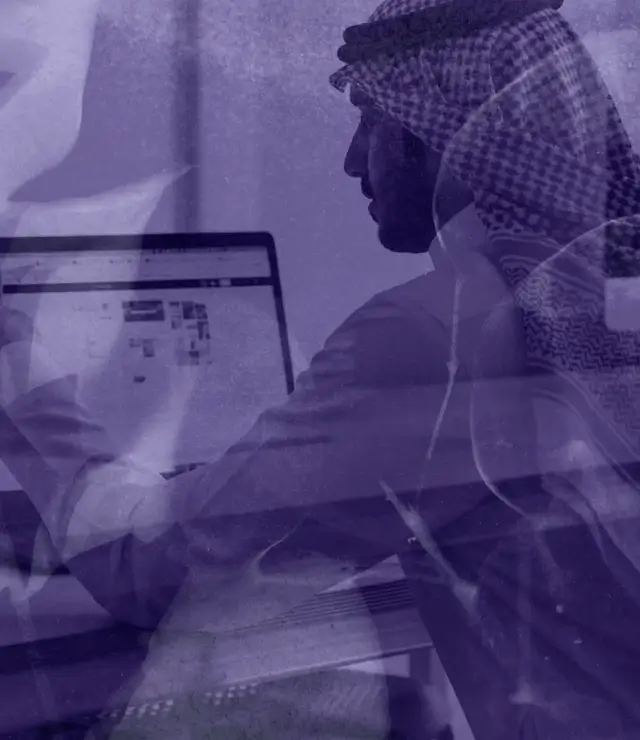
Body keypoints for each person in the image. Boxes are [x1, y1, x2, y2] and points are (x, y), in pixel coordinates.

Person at [3, 0, 640, 738]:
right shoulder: (606, 296)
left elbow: (152, 572)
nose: (352, 159)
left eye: (370, 120)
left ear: (434, 132)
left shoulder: (438, 330)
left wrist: (18, 365)